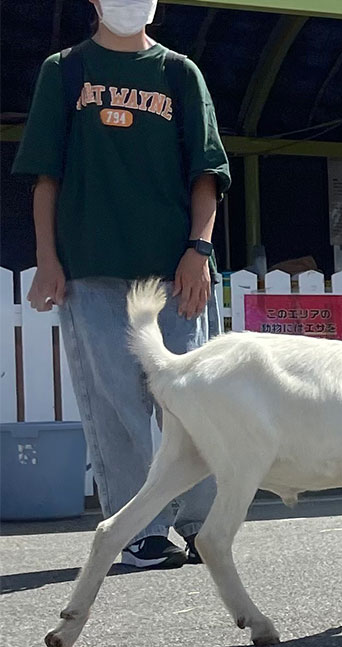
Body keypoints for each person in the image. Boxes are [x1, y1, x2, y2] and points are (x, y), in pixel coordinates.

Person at [13, 0, 230, 569]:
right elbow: (45, 175)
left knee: (193, 400)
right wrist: (47, 259)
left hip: (176, 271)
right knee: (116, 405)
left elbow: (206, 174)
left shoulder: (180, 73)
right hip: (91, 267)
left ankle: (205, 525)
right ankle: (139, 531)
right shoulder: (64, 71)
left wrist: (198, 250)